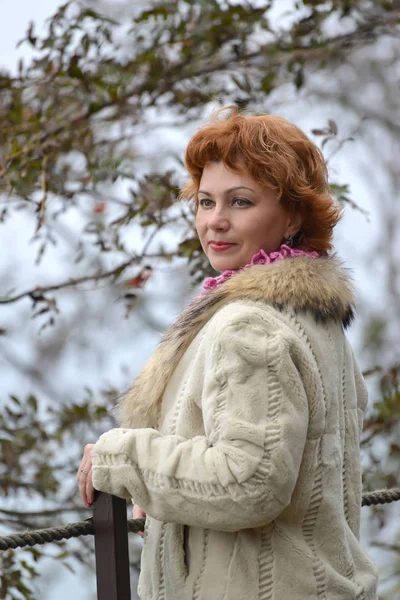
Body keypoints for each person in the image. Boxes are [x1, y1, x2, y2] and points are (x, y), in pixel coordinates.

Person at [78, 106, 378, 599]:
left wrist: (122, 459)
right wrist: (166, 489)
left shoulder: (250, 325)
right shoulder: (316, 318)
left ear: (293, 216)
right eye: (204, 201)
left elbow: (249, 481)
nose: (215, 221)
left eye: (240, 202)